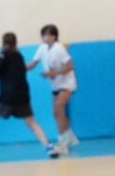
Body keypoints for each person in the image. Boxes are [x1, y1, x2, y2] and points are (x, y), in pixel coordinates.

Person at [0, 32, 59, 162]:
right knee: (31, 122)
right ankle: (49, 147)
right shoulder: (19, 56)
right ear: (16, 43)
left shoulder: (4, 55)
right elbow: (5, 67)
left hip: (8, 96)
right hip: (23, 94)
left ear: (3, 44)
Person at [26, 24, 78, 155]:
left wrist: (54, 73)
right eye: (43, 35)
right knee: (56, 113)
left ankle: (63, 142)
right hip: (55, 85)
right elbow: (33, 64)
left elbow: (70, 66)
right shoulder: (42, 48)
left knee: (58, 108)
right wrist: (18, 68)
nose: (45, 37)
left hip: (67, 84)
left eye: (48, 35)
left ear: (54, 36)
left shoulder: (59, 48)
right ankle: (69, 135)